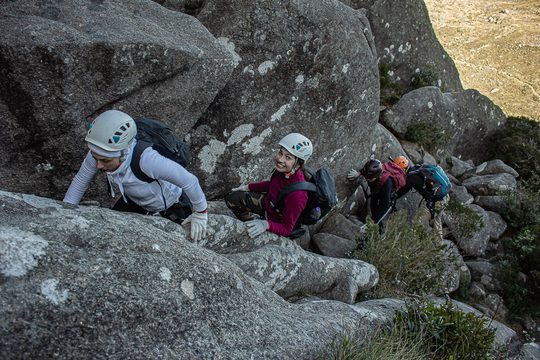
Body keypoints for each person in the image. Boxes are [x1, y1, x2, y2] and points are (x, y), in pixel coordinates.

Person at [63, 110, 208, 241]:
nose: (99, 165)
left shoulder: (148, 160)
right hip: (133, 200)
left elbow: (189, 181)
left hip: (171, 205)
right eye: (96, 158)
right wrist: (65, 213)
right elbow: (81, 180)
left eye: (105, 160)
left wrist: (201, 212)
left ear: (123, 153)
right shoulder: (98, 152)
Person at [225, 133, 313, 238]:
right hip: (270, 205)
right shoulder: (286, 172)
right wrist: (248, 187)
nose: (280, 159)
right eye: (280, 153)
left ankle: (258, 224)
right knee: (232, 198)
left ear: (298, 164)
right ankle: (250, 220)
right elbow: (273, 185)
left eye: (288, 157)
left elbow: (286, 229)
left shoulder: (298, 196)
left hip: (277, 219)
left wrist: (266, 225)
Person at [347, 158, 406, 233]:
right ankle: (374, 223)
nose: (367, 180)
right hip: (376, 187)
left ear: (376, 176)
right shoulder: (371, 171)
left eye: (369, 179)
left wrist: (372, 222)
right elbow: (366, 171)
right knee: (373, 205)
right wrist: (359, 173)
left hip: (386, 192)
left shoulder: (386, 184)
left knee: (378, 211)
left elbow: (384, 206)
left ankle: (380, 231)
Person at [396, 160, 450, 241]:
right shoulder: (417, 168)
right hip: (444, 197)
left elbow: (401, 192)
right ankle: (437, 245)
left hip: (437, 201)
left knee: (419, 222)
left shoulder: (411, 179)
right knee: (436, 222)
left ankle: (422, 244)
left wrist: (391, 196)